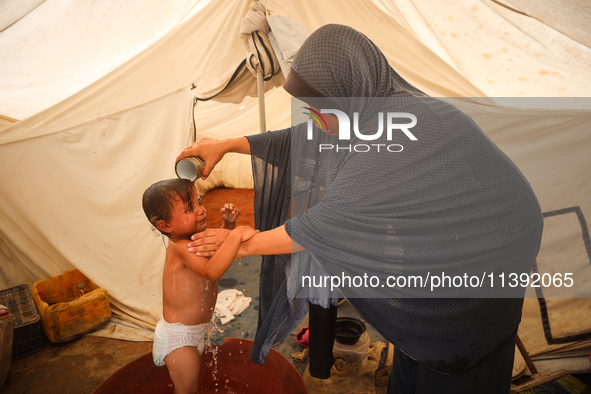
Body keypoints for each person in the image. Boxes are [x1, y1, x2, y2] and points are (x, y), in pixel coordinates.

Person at [176, 24, 543, 393]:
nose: (316, 121)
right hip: (451, 238)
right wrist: (226, 144)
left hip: (490, 254)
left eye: (323, 110)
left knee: (456, 355)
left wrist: (242, 241)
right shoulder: (374, 110)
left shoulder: (395, 134)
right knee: (417, 344)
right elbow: (308, 139)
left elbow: (322, 226)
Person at [142, 178, 256, 394]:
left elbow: (214, 251)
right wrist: (237, 234)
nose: (201, 210)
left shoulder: (195, 238)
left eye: (199, 202)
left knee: (192, 386)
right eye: (189, 209)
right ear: (165, 226)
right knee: (186, 389)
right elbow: (211, 270)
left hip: (194, 331)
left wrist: (227, 227)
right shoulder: (180, 247)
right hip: (180, 338)